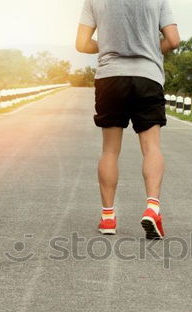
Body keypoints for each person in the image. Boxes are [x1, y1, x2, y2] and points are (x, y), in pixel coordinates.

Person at [76, 0, 180, 239]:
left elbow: (81, 43)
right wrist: (150, 49)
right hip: (148, 76)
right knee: (151, 147)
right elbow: (174, 40)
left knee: (110, 151)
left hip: (110, 77)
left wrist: (108, 44)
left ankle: (108, 217)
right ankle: (153, 208)